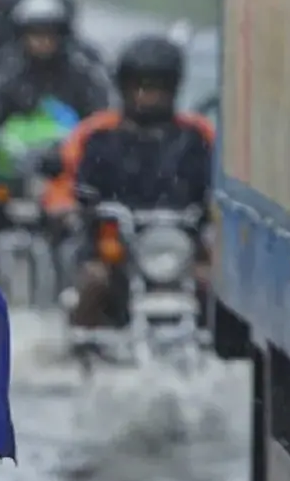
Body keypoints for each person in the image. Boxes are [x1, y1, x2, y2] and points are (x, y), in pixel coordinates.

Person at [45, 34, 215, 330]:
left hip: (179, 247)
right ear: (123, 87)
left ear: (173, 89)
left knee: (214, 284)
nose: (146, 96)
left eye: (156, 88)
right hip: (114, 248)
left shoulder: (197, 136)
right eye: (139, 86)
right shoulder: (97, 135)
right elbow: (73, 184)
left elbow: (217, 190)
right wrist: (73, 210)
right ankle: (83, 345)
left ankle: (217, 340)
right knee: (93, 281)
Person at [0, 0, 111, 260]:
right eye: (34, 33)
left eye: (48, 33)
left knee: (102, 218)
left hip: (70, 179)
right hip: (17, 177)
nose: (41, 41)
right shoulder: (8, 72)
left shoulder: (83, 76)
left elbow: (100, 121)